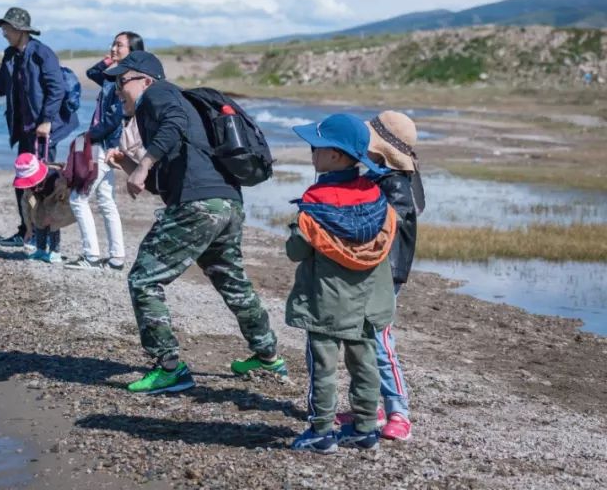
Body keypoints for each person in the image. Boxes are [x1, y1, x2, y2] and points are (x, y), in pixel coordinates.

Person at [104, 50, 285, 394]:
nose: (116, 91)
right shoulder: (173, 112)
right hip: (226, 203)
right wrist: (130, 165)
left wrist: (143, 165)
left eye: (121, 82)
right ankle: (268, 357)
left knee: (144, 279)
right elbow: (166, 185)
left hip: (199, 204)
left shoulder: (159, 94)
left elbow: (173, 122)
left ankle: (169, 367)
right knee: (233, 282)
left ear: (145, 79)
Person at [285, 113, 397, 453]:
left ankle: (321, 431)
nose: (311, 153)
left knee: (323, 366)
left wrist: (295, 230)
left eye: (316, 147)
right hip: (367, 303)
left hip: (327, 301)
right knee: (365, 363)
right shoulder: (376, 196)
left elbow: (296, 251)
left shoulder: (317, 200)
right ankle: (364, 429)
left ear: (335, 155)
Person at [333, 110, 423, 442]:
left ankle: (400, 412)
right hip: (368, 268)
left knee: (380, 340)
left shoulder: (396, 183)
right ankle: (370, 407)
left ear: (381, 150)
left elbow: (393, 219)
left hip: (387, 272)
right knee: (361, 339)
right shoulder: (376, 177)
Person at [0, 7, 79, 246]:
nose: (4, 33)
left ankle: (45, 237)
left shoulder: (43, 53)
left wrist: (47, 121)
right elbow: (1, 88)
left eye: (7, 28)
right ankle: (27, 231)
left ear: (20, 30)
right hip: (25, 131)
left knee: (43, 184)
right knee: (24, 182)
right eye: (3, 28)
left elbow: (56, 89)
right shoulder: (10, 55)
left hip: (44, 131)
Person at [64, 31, 144, 271]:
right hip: (108, 144)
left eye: (119, 45)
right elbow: (91, 74)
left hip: (105, 144)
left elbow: (114, 117)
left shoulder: (124, 80)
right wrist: (110, 60)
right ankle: (117, 258)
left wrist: (90, 136)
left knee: (78, 199)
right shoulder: (113, 77)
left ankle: (91, 256)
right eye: (113, 44)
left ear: (133, 51)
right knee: (106, 200)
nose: (113, 48)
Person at [13, 152, 65, 263]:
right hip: (43, 200)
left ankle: (55, 252)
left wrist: (52, 215)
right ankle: (41, 249)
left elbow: (64, 200)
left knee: (53, 224)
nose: (29, 185)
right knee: (38, 218)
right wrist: (29, 229)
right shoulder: (29, 189)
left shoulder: (55, 179)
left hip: (61, 202)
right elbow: (26, 206)